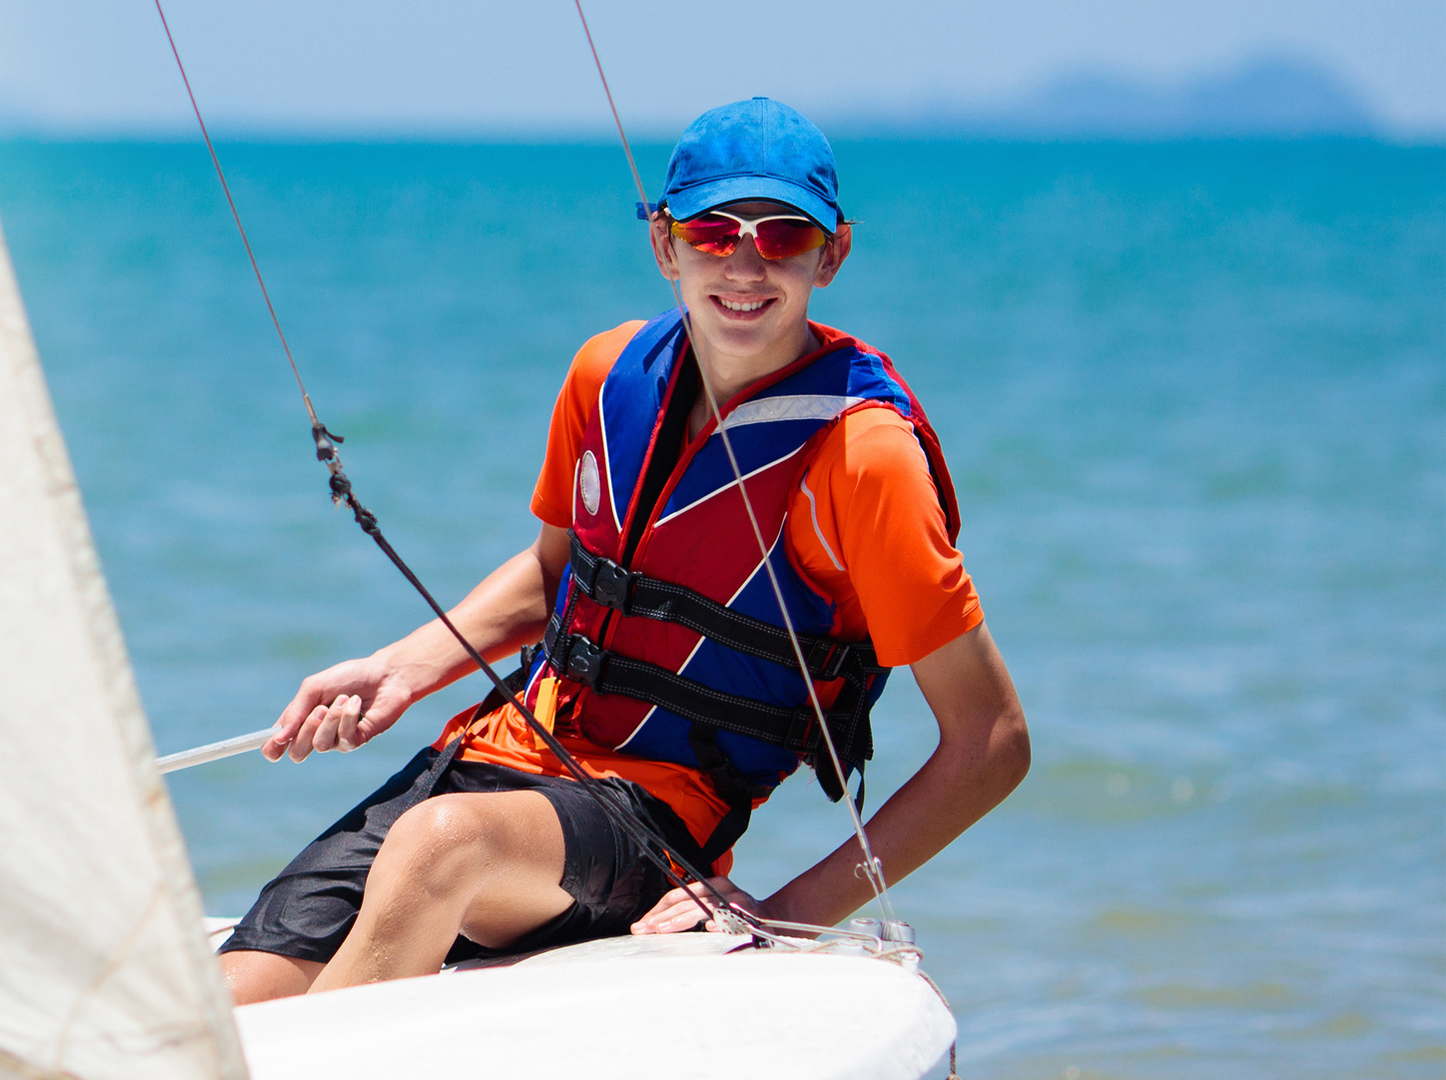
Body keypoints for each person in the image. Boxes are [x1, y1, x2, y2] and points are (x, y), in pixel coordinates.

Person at [218, 97, 1030, 1003]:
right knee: (220, 1001)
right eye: (714, 231)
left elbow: (992, 742)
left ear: (832, 253)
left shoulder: (864, 456)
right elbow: (553, 578)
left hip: (658, 823)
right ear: (665, 244)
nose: (747, 263)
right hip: (501, 758)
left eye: (784, 235)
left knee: (440, 847)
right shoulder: (607, 376)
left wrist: (786, 914)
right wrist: (400, 668)